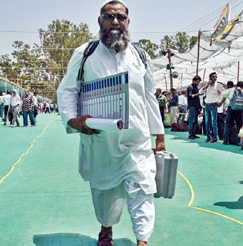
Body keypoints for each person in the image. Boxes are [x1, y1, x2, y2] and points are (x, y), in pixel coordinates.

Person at [57, 1, 165, 245]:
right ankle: (106, 230)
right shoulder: (85, 54)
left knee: (143, 188)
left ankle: (143, 240)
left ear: (128, 22)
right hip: (100, 139)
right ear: (100, 21)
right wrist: (74, 121)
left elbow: (149, 95)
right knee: (106, 192)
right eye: (109, 16)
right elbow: (67, 90)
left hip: (137, 139)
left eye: (121, 17)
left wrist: (159, 134)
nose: (115, 22)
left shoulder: (140, 56)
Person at [199, 72, 225, 143]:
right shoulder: (207, 86)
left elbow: (225, 94)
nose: (215, 78)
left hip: (213, 105)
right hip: (207, 105)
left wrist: (221, 102)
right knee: (207, 122)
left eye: (216, 77)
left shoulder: (218, 85)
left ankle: (214, 138)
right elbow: (200, 92)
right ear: (210, 78)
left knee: (214, 122)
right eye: (213, 77)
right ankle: (208, 137)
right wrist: (207, 85)